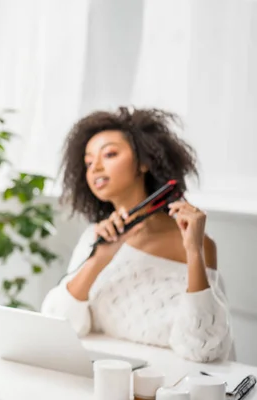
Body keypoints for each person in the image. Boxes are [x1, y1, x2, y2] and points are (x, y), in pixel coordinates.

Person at [40, 107, 233, 363]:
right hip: (103, 379)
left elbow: (203, 348)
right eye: (88, 162)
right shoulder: (93, 239)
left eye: (109, 154)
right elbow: (59, 326)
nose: (95, 167)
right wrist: (99, 260)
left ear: (143, 162)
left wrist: (194, 252)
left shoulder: (195, 244)